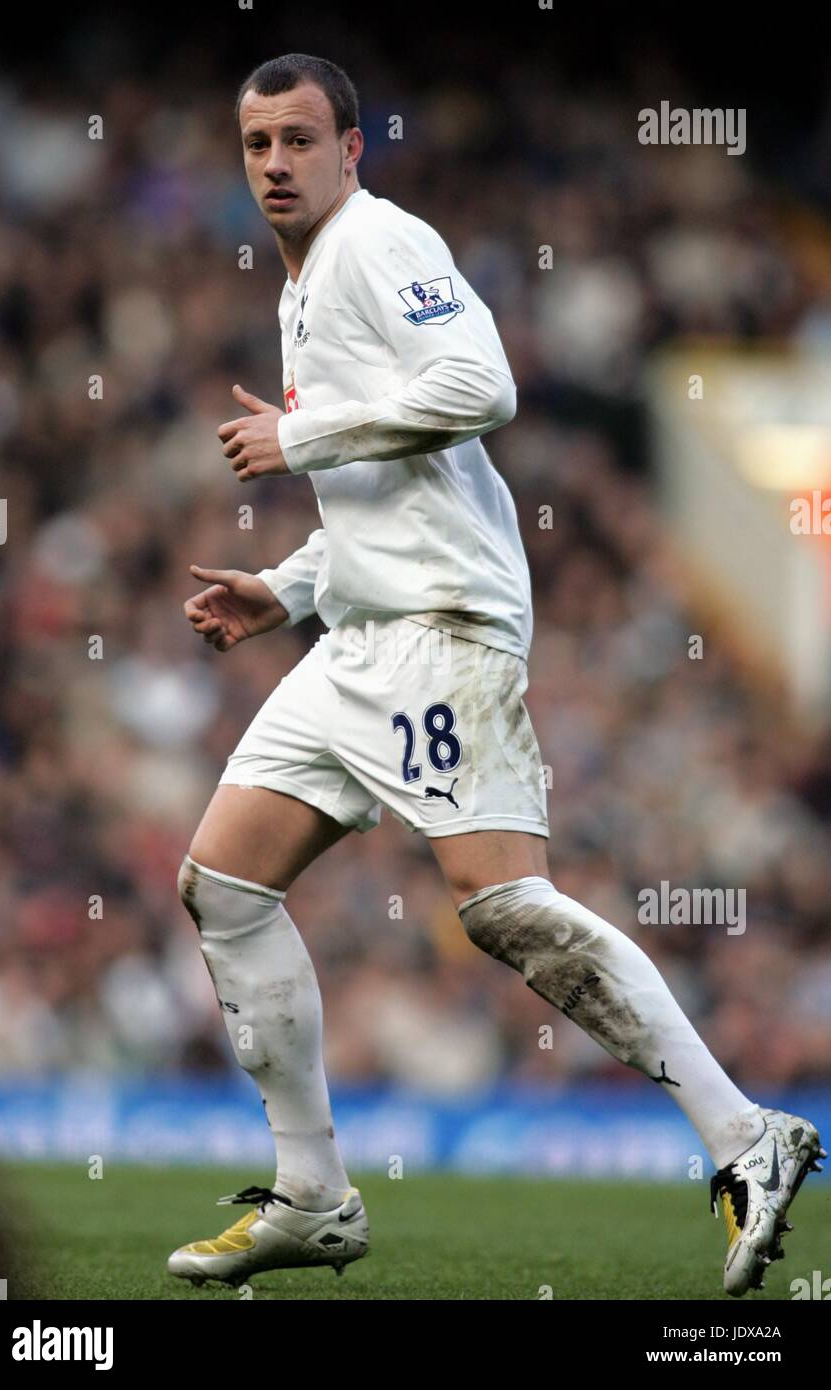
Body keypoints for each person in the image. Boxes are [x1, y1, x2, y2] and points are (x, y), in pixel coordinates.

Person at [168, 53, 824, 1296]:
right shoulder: (301, 291)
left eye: (299, 140)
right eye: (256, 144)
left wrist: (294, 433)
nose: (274, 164)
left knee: (501, 906)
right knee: (222, 882)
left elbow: (482, 386)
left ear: (351, 149)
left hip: (439, 628)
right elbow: (386, 486)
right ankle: (313, 1196)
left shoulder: (377, 242)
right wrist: (287, 589)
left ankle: (748, 1134)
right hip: (358, 632)